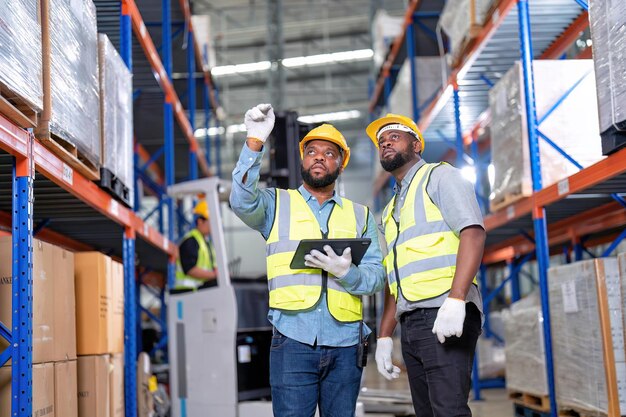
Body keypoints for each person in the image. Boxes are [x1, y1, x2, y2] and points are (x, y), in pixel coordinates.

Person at [230, 103, 385, 417]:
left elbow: (378, 275)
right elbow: (241, 200)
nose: (319, 157)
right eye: (312, 151)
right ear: (302, 158)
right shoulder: (275, 204)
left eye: (330, 153)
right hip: (292, 342)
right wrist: (254, 142)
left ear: (341, 165)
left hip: (345, 344)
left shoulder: (361, 215)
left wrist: (349, 274)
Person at [368, 114, 485, 417]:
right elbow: (396, 276)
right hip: (412, 323)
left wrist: (457, 299)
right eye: (382, 142)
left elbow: (473, 232)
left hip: (445, 313)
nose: (386, 143)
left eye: (394, 136)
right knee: (427, 412)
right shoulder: (392, 208)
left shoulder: (440, 177)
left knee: (448, 410)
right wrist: (384, 335)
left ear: (416, 144)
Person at [174, 199, 218, 290]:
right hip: (188, 292)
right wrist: (214, 275)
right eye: (210, 222)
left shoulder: (206, 242)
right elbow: (191, 270)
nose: (213, 226)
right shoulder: (190, 241)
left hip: (200, 292)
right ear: (200, 222)